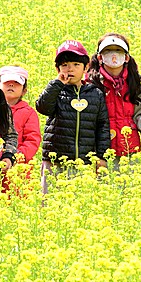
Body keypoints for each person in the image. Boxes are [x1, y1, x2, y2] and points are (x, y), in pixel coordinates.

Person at [36, 40, 111, 191]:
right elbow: (43, 107)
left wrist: (101, 157)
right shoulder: (57, 91)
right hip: (55, 160)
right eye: (65, 65)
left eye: (76, 65)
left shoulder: (95, 93)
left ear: (86, 67)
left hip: (84, 161)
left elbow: (102, 126)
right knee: (50, 201)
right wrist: (57, 84)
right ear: (57, 69)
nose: (70, 69)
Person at [86, 33, 141, 162]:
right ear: (100, 57)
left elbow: (139, 113)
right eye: (108, 51)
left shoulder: (133, 82)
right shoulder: (92, 84)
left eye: (118, 50)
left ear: (126, 57)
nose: (113, 55)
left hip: (130, 148)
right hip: (103, 150)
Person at [0, 66, 41, 164]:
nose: (11, 85)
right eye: (7, 82)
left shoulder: (29, 113)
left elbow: (32, 140)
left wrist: (16, 156)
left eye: (16, 83)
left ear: (24, 91)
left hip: (17, 167)